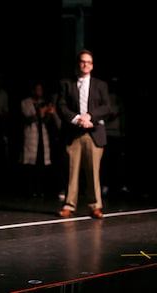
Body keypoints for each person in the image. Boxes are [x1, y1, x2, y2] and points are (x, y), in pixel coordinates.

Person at [56, 48, 111, 219]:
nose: (85, 64)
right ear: (78, 64)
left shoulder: (101, 85)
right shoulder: (66, 83)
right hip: (73, 133)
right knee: (72, 171)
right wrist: (77, 118)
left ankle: (95, 206)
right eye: (82, 61)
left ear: (92, 66)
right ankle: (69, 205)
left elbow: (106, 107)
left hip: (94, 133)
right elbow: (61, 106)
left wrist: (90, 117)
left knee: (93, 172)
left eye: (88, 62)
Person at [20, 81, 60, 197]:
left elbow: (47, 122)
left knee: (42, 163)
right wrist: (40, 112)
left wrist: (49, 114)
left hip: (42, 136)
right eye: (38, 90)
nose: (40, 92)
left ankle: (41, 189)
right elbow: (28, 118)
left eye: (41, 90)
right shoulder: (25, 102)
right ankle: (29, 190)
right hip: (31, 135)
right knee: (30, 164)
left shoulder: (44, 103)